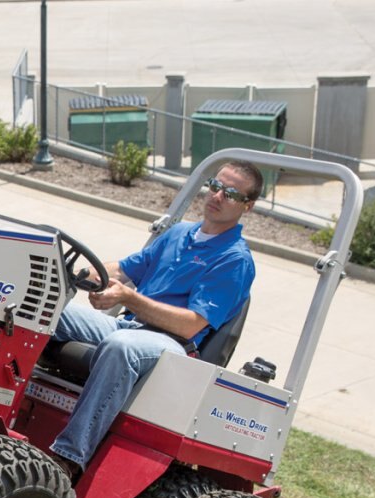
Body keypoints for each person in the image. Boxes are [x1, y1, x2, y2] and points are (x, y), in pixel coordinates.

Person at [48, 160, 264, 481]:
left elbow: (191, 324)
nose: (217, 196)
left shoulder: (234, 259)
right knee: (48, 307)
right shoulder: (178, 233)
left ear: (248, 206)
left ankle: (67, 459)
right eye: (215, 186)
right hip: (129, 325)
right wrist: (78, 272)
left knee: (122, 347)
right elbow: (123, 269)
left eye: (230, 194)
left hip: (174, 346)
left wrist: (129, 298)